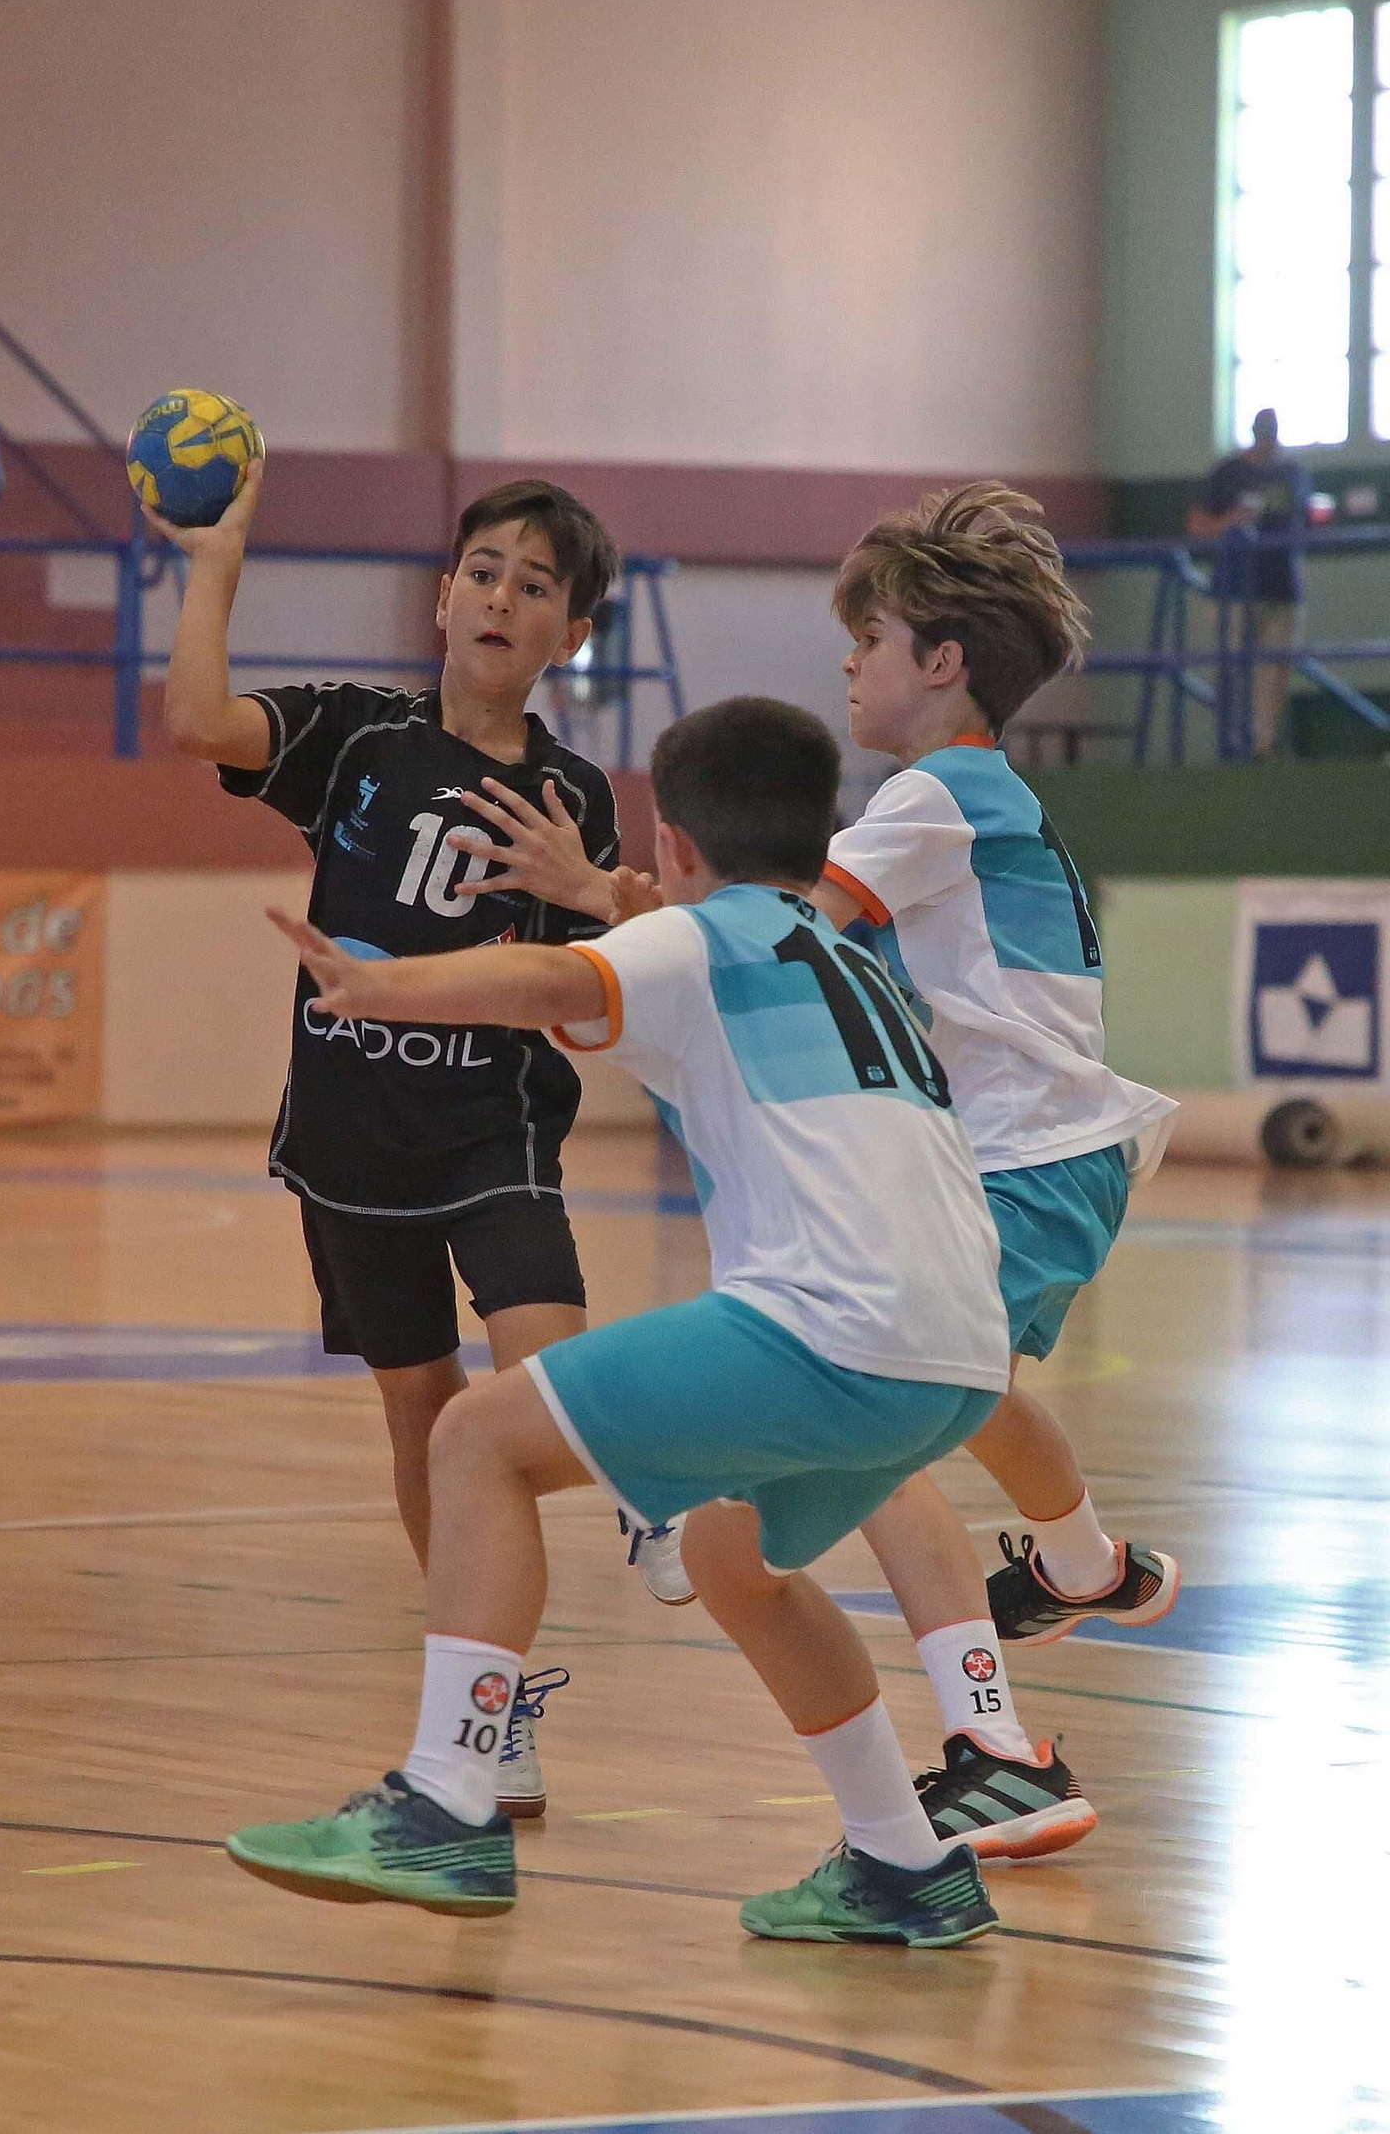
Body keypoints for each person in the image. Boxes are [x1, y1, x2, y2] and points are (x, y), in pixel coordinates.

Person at [226, 696, 1010, 1947]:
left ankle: (446, 1800)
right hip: (961, 1357)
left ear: (675, 841)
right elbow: (656, 960)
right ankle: (903, 1862)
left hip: (831, 1328)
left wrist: (381, 982)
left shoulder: (700, 940)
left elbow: (556, 976)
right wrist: (622, 905)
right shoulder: (845, 956)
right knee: (734, 1562)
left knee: (476, 1438)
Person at [153, 460, 639, 1815]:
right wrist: (216, 562)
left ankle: (653, 1483)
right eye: (482, 573)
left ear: (570, 634)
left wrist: (592, 893)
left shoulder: (573, 793)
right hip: (352, 1140)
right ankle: (488, 1709)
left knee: (545, 1388)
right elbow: (196, 721)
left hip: (494, 1132)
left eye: (533, 587)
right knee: (425, 1416)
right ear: (441, 596)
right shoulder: (359, 737)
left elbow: (596, 997)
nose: (499, 599)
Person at [738, 480, 1180, 1891]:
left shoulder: (936, 793)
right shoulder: (976, 798)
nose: (849, 660)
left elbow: (791, 931)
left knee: (878, 1414)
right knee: (969, 1387)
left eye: (869, 637)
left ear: (940, 662)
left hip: (1026, 1158)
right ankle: (1083, 1566)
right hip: (1055, 1158)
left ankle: (997, 1749)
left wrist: (617, 918)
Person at [1188, 407, 1314, 757]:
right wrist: (1233, 520)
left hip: (1282, 588)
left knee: (1275, 672)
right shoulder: (1228, 474)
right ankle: (1233, 744)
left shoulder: (1293, 474)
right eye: (1262, 434)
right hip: (1233, 590)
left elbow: (1305, 521)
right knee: (1232, 670)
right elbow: (1198, 525)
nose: (1267, 442)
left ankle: (1263, 747)